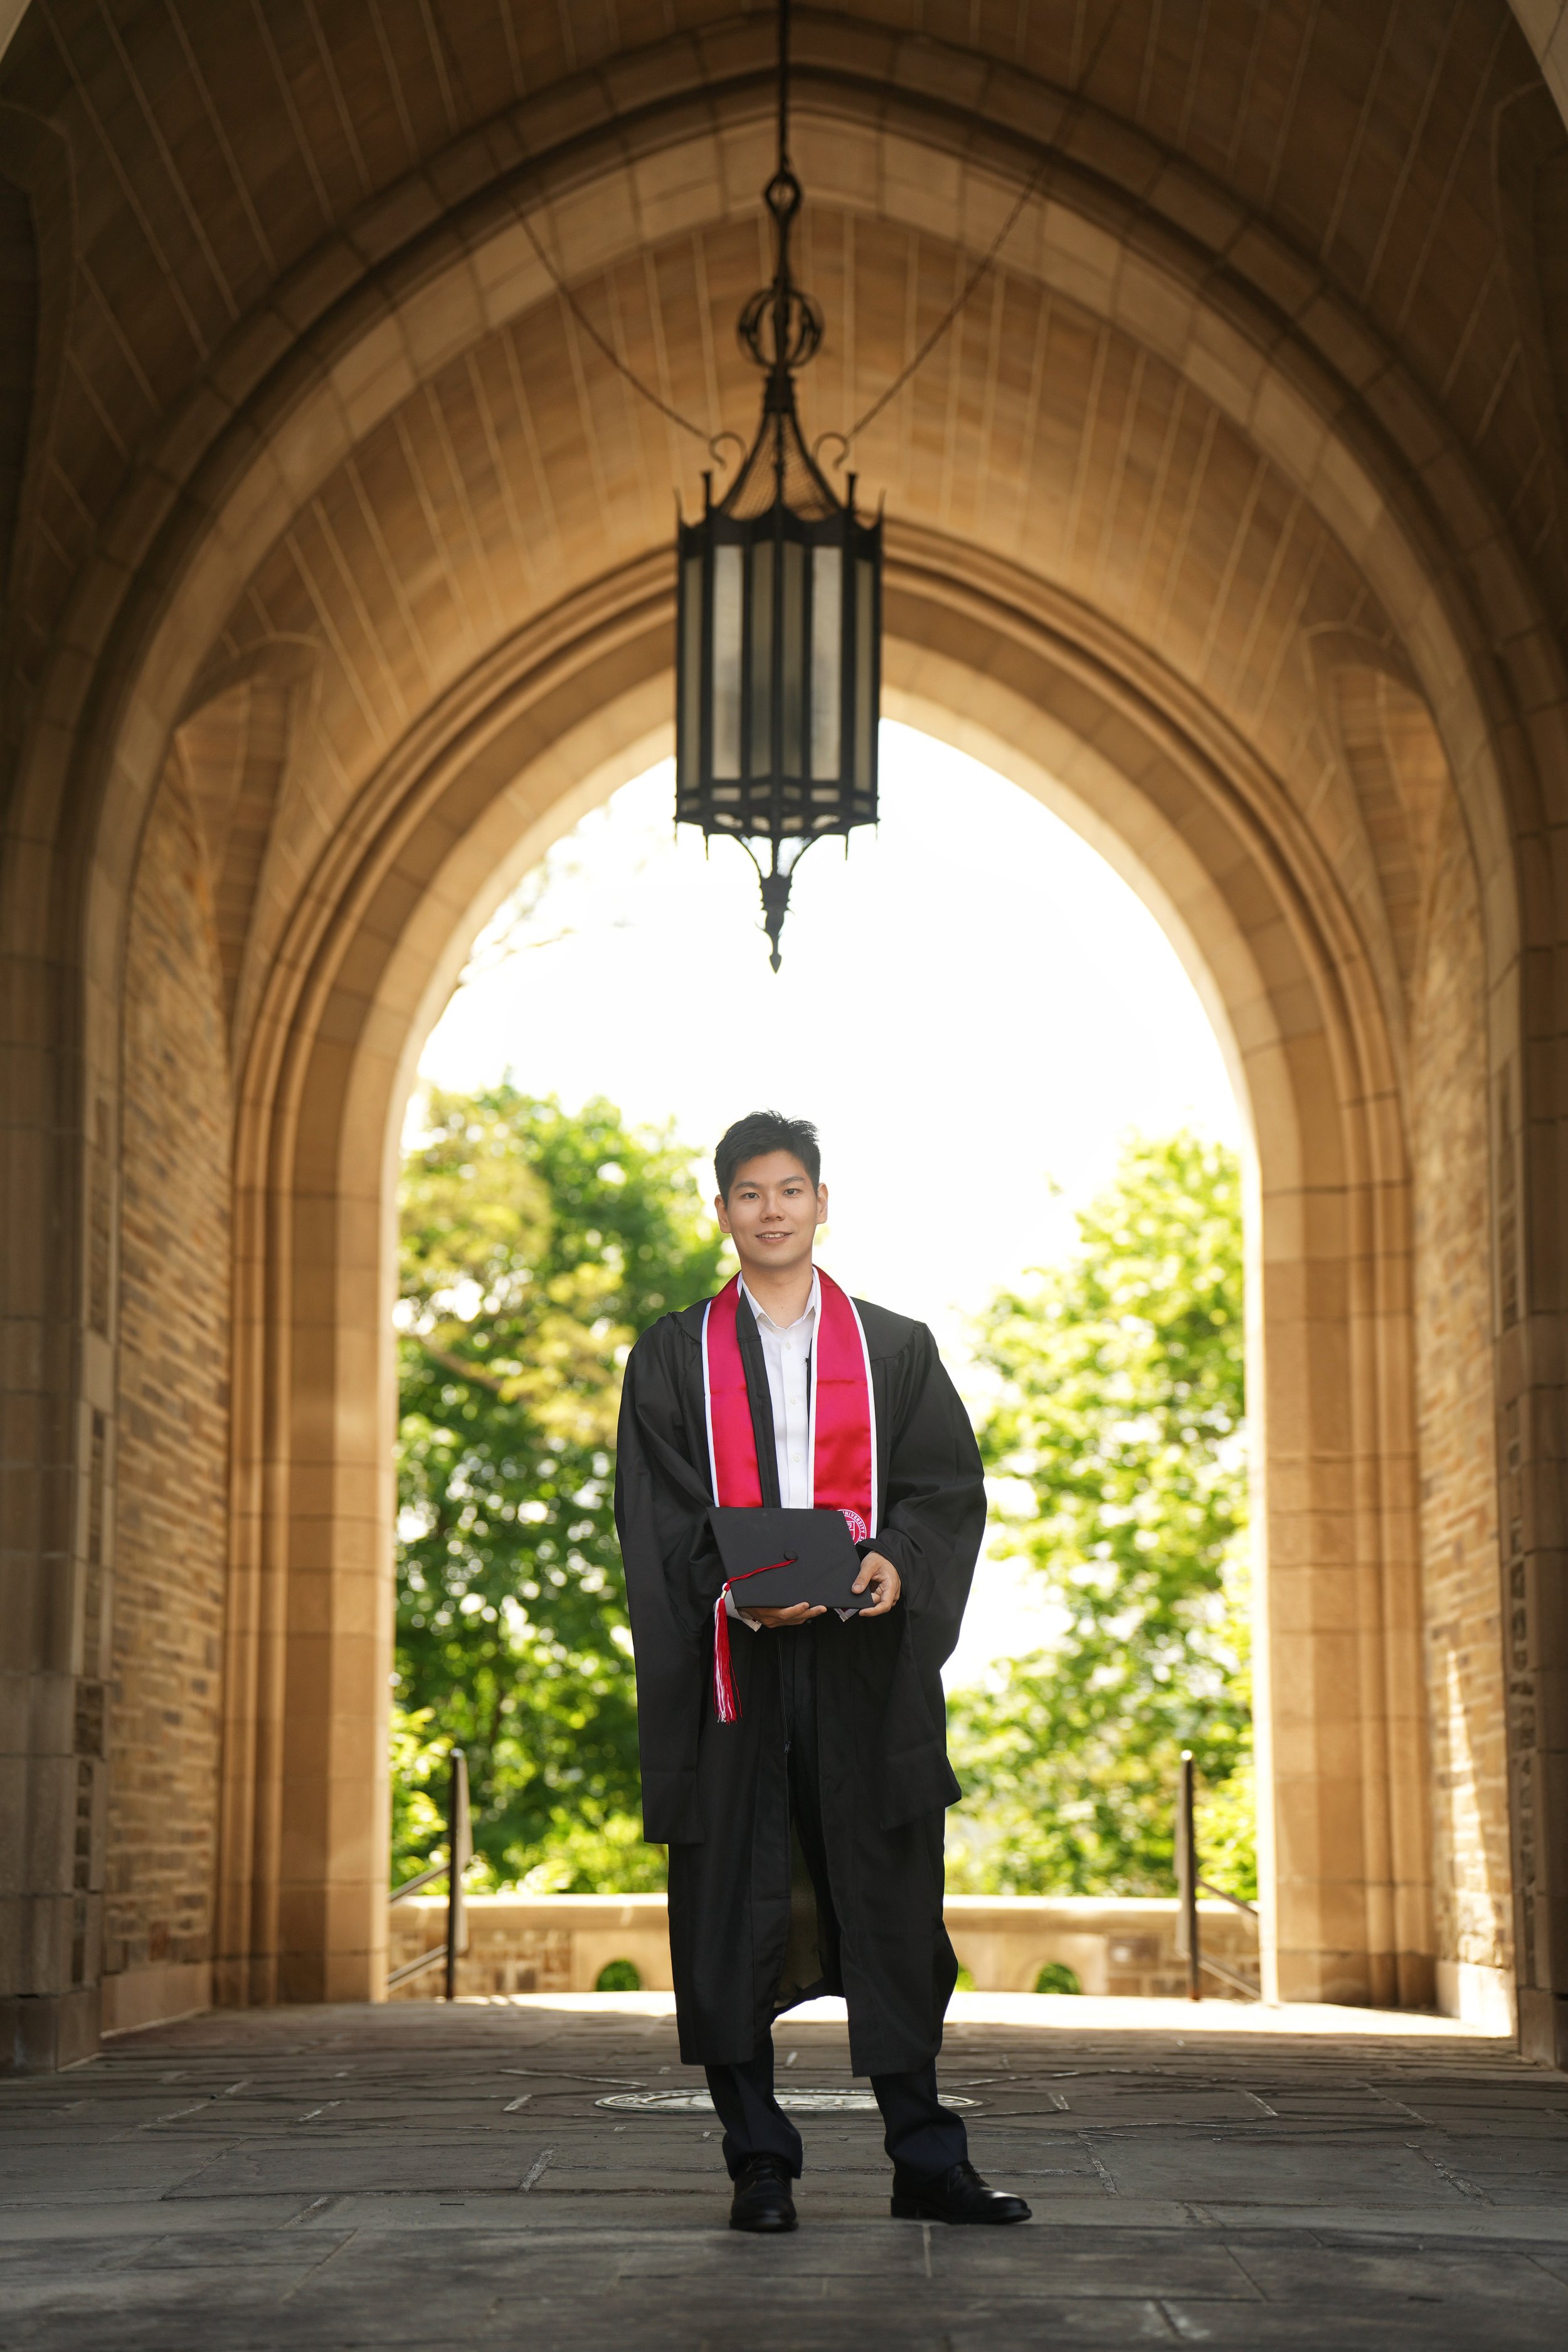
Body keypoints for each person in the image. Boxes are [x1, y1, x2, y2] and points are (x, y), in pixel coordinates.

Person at [614, 1110, 1030, 2234]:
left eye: (790, 1188)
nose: (772, 1209)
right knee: (724, 1907)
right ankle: (758, 2161)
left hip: (861, 1669)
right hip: (734, 1669)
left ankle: (926, 2159)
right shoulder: (671, 1355)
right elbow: (656, 1512)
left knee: (891, 1898)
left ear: (821, 1202)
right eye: (749, 1192)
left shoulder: (895, 1347)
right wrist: (734, 1584)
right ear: (724, 1214)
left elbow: (943, 1490)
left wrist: (896, 1559)